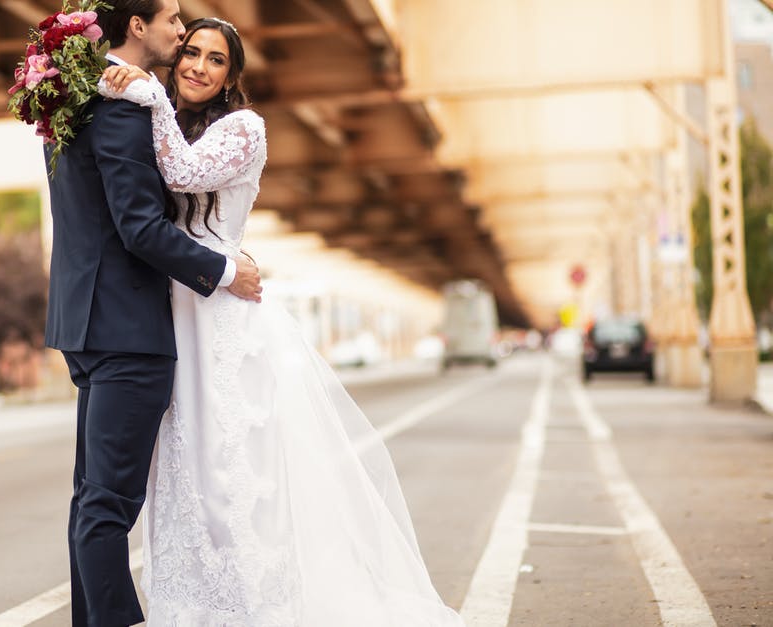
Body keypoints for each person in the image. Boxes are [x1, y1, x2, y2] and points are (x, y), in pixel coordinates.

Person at [100, 17, 466, 625]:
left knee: (233, 466)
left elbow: (183, 174)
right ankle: (190, 604)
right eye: (190, 52)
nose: (197, 66)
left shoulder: (245, 128)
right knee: (185, 468)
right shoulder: (169, 120)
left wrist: (143, 91)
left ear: (231, 76)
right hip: (174, 314)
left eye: (216, 60)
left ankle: (254, 604)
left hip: (223, 317)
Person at [42, 2, 264, 626]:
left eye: (211, 55)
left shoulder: (75, 101)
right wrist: (224, 270)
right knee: (108, 506)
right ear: (137, 26)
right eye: (172, 21)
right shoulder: (120, 109)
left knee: (91, 500)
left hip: (87, 322)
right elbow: (139, 228)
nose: (180, 32)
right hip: (128, 331)